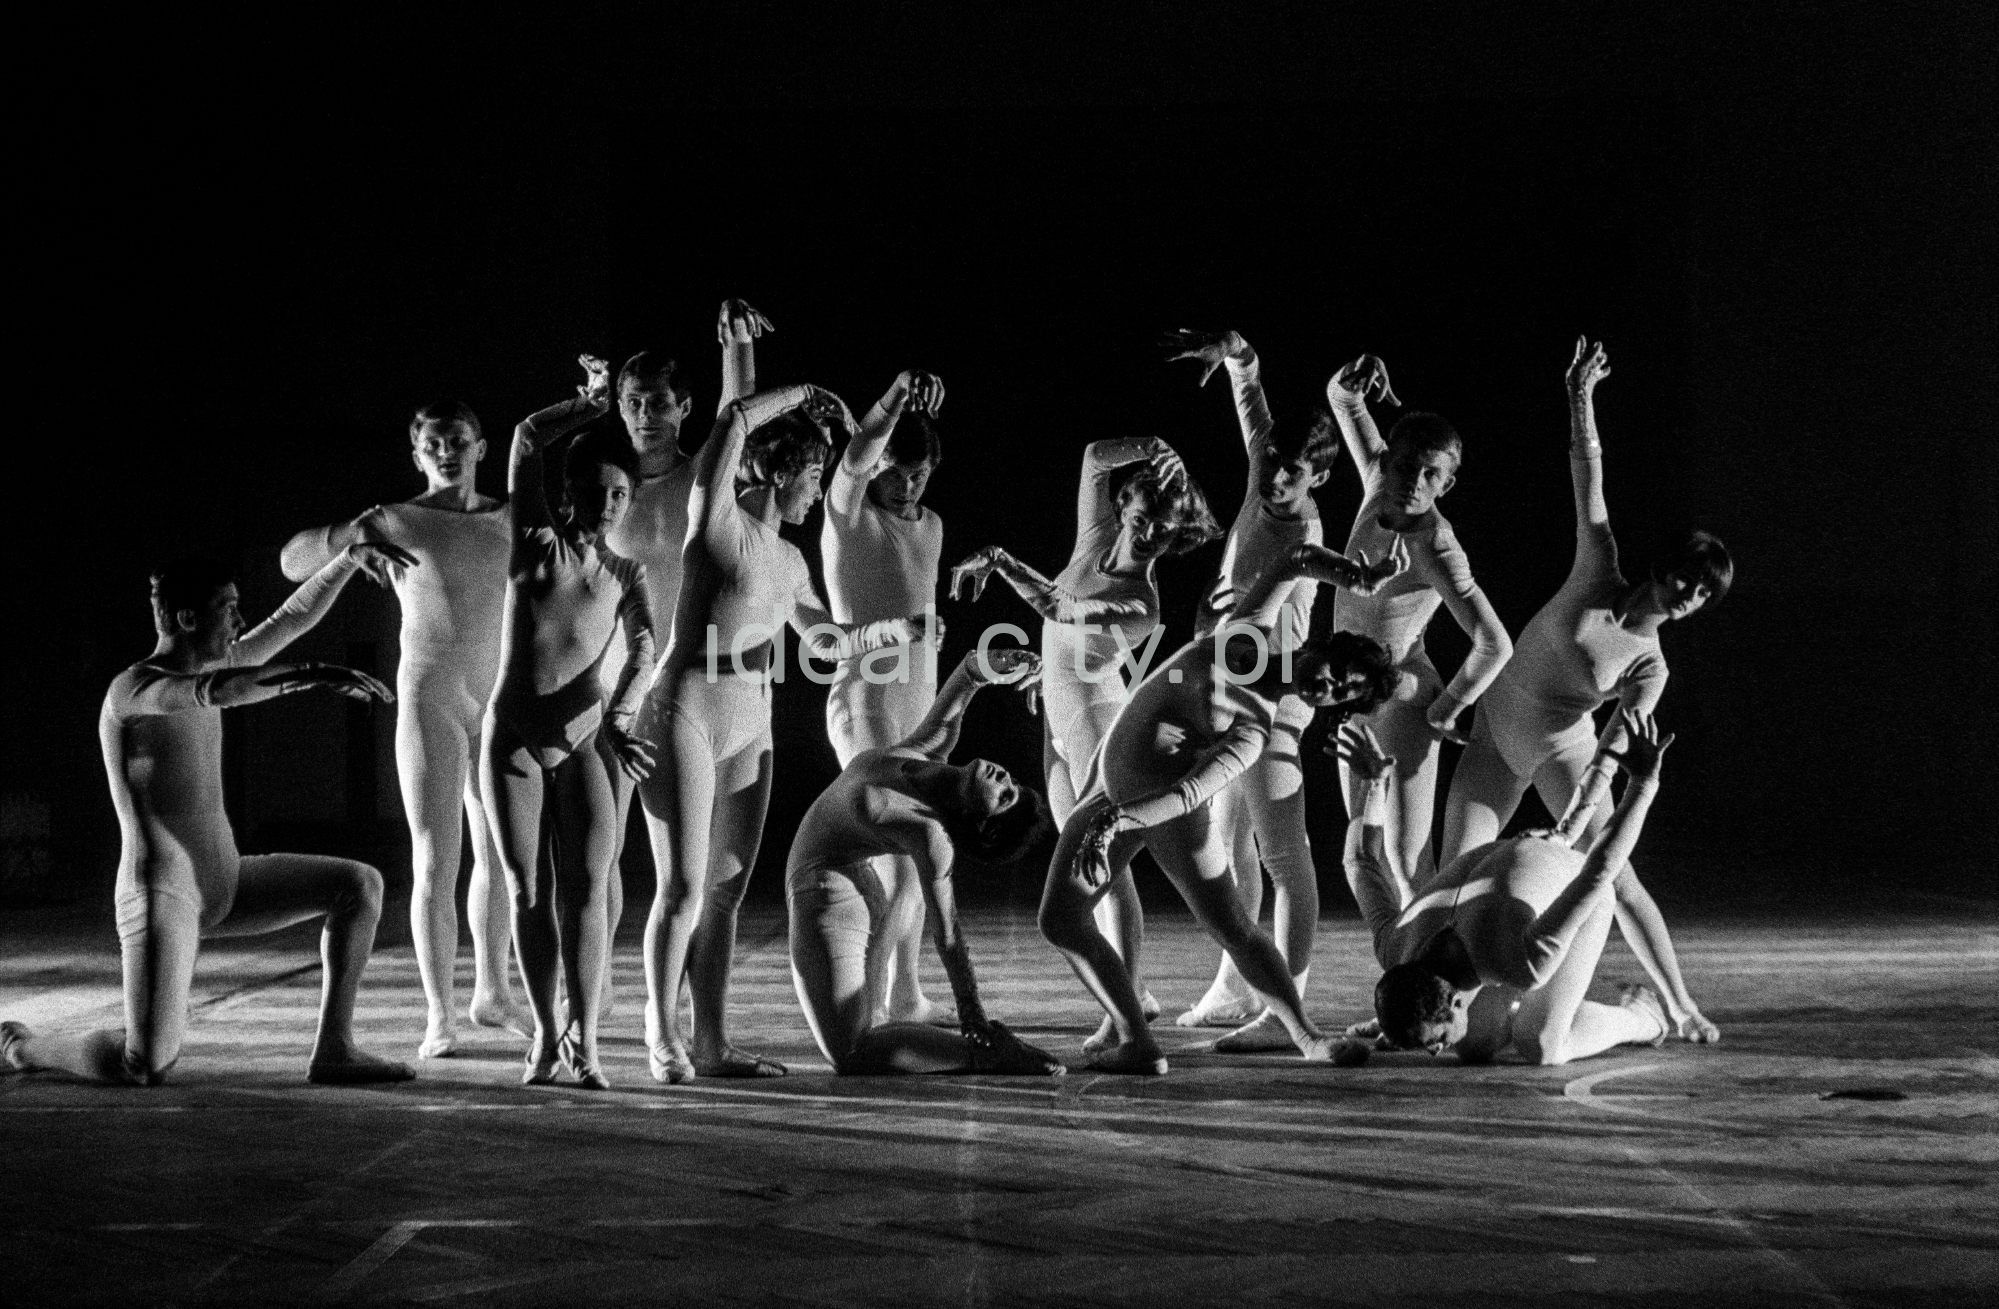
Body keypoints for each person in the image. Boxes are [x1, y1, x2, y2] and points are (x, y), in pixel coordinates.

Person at [0, 548, 417, 1086]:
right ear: (188, 618)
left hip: (227, 881)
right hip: (162, 894)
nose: (241, 623)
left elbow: (288, 621)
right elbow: (214, 692)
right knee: (144, 1063)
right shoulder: (135, 689)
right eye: (230, 609)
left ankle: (334, 1049)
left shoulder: (215, 664)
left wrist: (345, 561)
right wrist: (314, 674)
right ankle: (28, 1046)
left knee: (359, 886)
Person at [1437, 339, 1730, 1043]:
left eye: (1702, 594)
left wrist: (1572, 823)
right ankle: (1431, 1005)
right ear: (1666, 567)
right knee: (1446, 878)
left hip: (1555, 753)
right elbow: (1587, 480)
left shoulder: (1649, 666)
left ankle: (1674, 1001)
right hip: (1490, 737)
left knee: (1613, 874)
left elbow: (1610, 754)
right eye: (1688, 578)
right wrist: (1578, 394)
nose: (1689, 595)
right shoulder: (1595, 571)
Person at [638, 382, 927, 1084]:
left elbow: (824, 642)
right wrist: (801, 394)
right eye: (813, 476)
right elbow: (733, 417)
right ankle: (661, 1034)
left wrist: (894, 629)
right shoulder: (716, 524)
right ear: (777, 471)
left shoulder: (791, 560)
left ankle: (711, 1041)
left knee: (725, 892)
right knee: (680, 885)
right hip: (684, 705)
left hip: (750, 719)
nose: (816, 492)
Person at [1036, 543, 1406, 1074]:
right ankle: (1135, 1038)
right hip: (1107, 789)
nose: (1327, 688)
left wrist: (1121, 818)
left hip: (1163, 812)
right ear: (1321, 648)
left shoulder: (1254, 729)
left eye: (1340, 696)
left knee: (1231, 923)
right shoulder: (1244, 635)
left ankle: (1305, 1035)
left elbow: (1188, 793)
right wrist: (1356, 575)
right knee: (1060, 919)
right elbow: (1292, 560)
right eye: (1335, 672)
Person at [279, 399, 530, 1059]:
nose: (446, 451)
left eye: (458, 440)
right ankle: (439, 1014)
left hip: (500, 699)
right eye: (433, 444)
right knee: (434, 858)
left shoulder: (511, 515)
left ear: (481, 446)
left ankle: (493, 992)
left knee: (503, 857)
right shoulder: (396, 519)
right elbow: (291, 560)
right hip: (432, 698)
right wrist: (349, 536)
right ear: (417, 454)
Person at [949, 435, 1222, 1026]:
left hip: (1103, 722)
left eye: (1162, 531)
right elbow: (1094, 456)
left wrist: (999, 559)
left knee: (1105, 865)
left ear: (1174, 539)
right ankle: (1133, 992)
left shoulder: (1142, 601)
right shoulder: (1095, 537)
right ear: (1125, 509)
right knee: (1092, 867)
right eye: (1143, 519)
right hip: (1058, 717)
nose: (1148, 535)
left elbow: (1060, 609)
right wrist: (1156, 445)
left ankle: (1125, 1003)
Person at [480, 354, 658, 1089]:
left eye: (621, 492)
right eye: (597, 489)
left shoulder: (626, 572)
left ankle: (587, 1036)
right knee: (527, 889)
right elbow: (524, 437)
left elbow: (647, 645)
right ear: (570, 492)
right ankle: (547, 1033)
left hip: (587, 738)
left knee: (588, 888)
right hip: (516, 738)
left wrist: (617, 716)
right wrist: (586, 406)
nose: (610, 502)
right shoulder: (537, 547)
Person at [1160, 328, 1343, 1040]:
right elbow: (1252, 408)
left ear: (1316, 479)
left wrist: (1220, 632)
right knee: (1231, 847)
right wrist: (1238, 354)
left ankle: (1283, 1005)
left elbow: (1275, 644)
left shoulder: (1304, 539)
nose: (1273, 478)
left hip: (1270, 703)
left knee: (1284, 857)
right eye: (1270, 464)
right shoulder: (1260, 481)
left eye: (1291, 472)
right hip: (1230, 695)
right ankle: (1235, 984)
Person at [595, 301, 773, 1012]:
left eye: (658, 402)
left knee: (702, 876)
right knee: (600, 857)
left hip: (696, 691)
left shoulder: (706, 478)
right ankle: (596, 999)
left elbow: (740, 414)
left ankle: (694, 1025)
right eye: (632, 402)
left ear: (683, 406)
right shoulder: (606, 490)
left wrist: (735, 346)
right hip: (622, 693)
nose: (644, 414)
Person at [1341, 711, 1680, 1066]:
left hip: (1574, 881)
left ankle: (1642, 1018)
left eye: (1435, 1040)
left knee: (1542, 1043)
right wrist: (1375, 785)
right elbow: (1360, 863)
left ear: (1457, 1002)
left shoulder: (1521, 960)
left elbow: (1598, 872)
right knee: (1474, 1046)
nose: (1437, 1050)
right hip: (1510, 867)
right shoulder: (1394, 945)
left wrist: (1643, 783)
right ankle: (1530, 1009)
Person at [789, 647, 1062, 1075]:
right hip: (846, 885)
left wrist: (973, 1015)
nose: (1005, 779)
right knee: (866, 1029)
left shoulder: (930, 833)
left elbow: (948, 933)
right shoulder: (927, 751)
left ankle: (986, 1052)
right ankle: (985, 1050)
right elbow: (965, 679)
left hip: (828, 897)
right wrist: (994, 663)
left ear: (984, 825)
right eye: (1013, 782)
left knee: (851, 1052)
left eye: (1005, 798)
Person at [1323, 352, 1513, 896]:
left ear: (1446, 485)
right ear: (1387, 464)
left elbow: (1492, 642)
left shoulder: (1435, 545)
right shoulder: (1374, 488)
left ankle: (1438, 977)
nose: (1414, 481)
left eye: (1432, 474)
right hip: (1354, 696)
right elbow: (1343, 400)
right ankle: (1403, 974)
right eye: (1406, 466)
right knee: (1365, 851)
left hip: (1405, 701)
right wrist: (1353, 377)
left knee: (1407, 863)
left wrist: (1444, 708)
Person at [818, 368, 953, 1027]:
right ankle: (866, 1005)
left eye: (920, 472)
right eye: (897, 471)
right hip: (864, 698)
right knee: (897, 855)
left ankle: (906, 988)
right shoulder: (847, 513)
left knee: (924, 851)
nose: (908, 484)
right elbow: (855, 457)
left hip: (918, 698)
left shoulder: (930, 526)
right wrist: (896, 395)